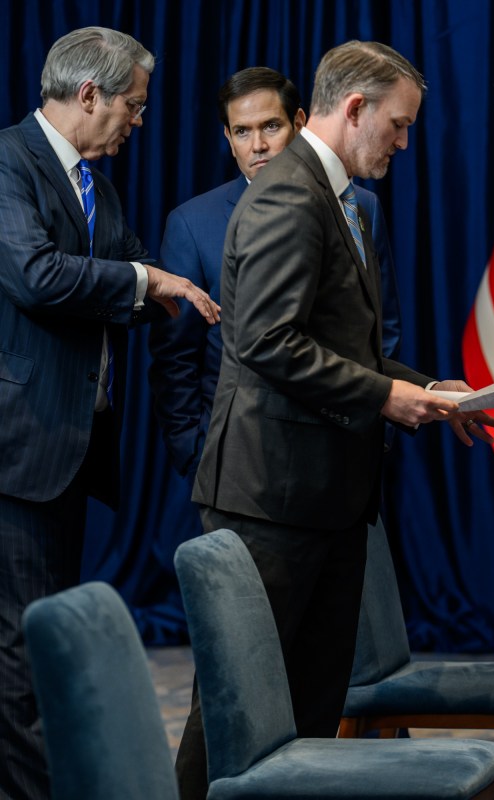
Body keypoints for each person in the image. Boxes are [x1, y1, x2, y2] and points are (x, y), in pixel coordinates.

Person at [178, 41, 494, 800]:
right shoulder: (291, 194)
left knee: (310, 713)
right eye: (398, 123)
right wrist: (387, 399)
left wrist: (431, 389)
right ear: (354, 109)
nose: (404, 142)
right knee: (234, 714)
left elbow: (337, 345)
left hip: (326, 499)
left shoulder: (337, 197)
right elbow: (263, 342)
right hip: (270, 499)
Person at [0, 26, 219, 800]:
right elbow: (34, 275)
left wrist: (177, 289)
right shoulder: (8, 161)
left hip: (70, 449)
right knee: (21, 653)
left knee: (47, 643)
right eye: (132, 106)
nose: (137, 121)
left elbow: (132, 279)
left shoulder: (96, 179)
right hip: (20, 452)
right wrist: (147, 282)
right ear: (88, 95)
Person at [148, 66, 404, 485]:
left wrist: (372, 423)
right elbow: (175, 358)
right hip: (241, 462)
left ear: (299, 123)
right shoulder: (192, 224)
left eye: (271, 126)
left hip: (343, 450)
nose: (260, 145)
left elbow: (382, 328)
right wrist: (194, 452)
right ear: (227, 139)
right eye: (242, 132)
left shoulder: (360, 206)